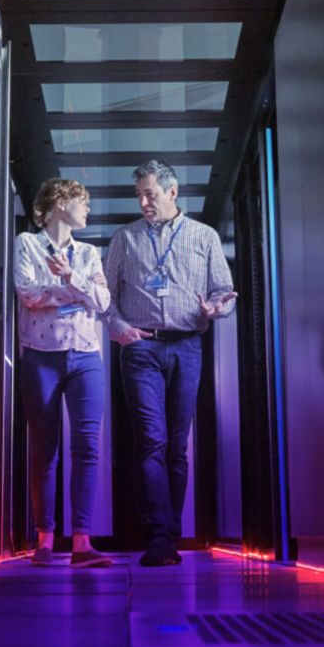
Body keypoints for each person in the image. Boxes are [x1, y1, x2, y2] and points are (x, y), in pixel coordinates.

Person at [103, 160, 237, 566]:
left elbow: (224, 292)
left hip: (187, 346)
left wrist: (216, 308)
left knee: (177, 447)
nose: (144, 201)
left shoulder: (205, 236)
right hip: (141, 348)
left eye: (151, 193)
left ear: (173, 192)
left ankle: (171, 535)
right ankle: (159, 537)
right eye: (139, 194)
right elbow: (105, 297)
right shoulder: (124, 239)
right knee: (151, 441)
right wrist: (120, 329)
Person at [14, 179, 113, 568]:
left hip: (86, 356)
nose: (86, 209)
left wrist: (70, 278)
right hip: (40, 357)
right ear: (59, 203)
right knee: (44, 449)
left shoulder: (89, 252)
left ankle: (82, 544)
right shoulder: (28, 243)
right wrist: (77, 292)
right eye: (81, 202)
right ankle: (44, 540)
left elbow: (103, 302)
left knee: (87, 447)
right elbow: (28, 293)